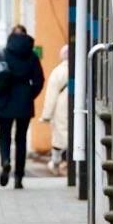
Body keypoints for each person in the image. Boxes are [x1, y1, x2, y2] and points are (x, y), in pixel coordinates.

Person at [0, 25, 45, 188]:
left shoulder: (2, 54)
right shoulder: (31, 56)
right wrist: (29, 94)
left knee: (4, 136)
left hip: (3, 101)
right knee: (21, 139)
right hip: (24, 102)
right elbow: (39, 80)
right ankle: (19, 177)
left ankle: (5, 161)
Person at [40, 45, 70, 175]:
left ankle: (57, 162)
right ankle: (66, 161)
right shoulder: (81, 69)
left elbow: (51, 95)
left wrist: (46, 115)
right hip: (76, 105)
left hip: (61, 106)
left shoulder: (57, 71)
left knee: (60, 135)